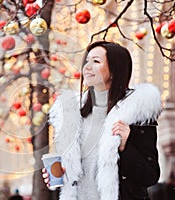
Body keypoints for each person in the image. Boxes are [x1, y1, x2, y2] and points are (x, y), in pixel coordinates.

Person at [42, 41, 162, 199]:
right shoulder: (72, 115)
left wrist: (125, 147)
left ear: (113, 71)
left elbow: (150, 176)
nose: (87, 66)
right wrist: (59, 175)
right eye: (87, 61)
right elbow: (74, 177)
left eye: (96, 61)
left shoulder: (136, 114)